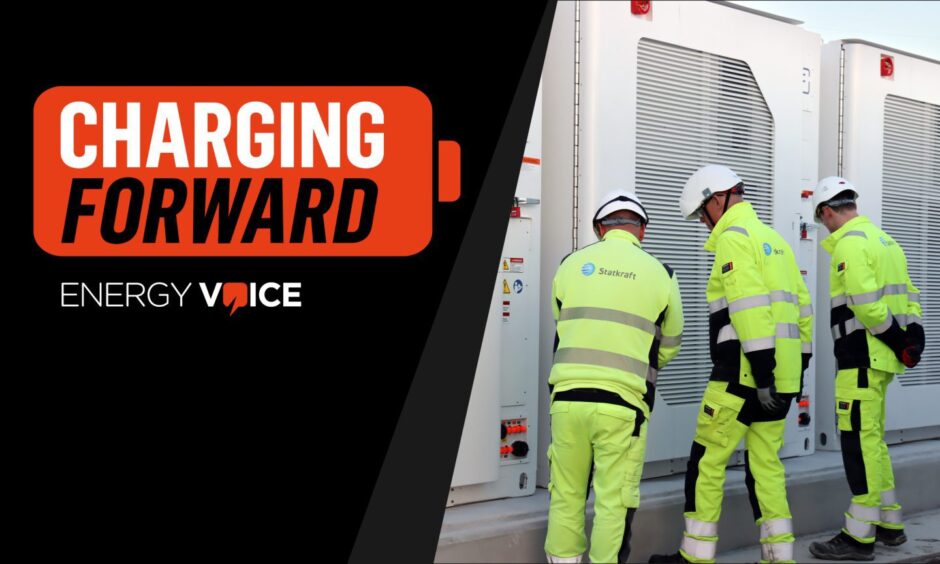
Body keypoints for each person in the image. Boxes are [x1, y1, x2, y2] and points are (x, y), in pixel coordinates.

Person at [650, 165, 812, 564]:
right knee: (766, 469)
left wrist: (760, 375)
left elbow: (747, 310)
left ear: (718, 199)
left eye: (702, 214)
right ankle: (779, 556)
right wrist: (791, 374)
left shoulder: (734, 239)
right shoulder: (775, 240)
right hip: (781, 383)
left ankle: (695, 555)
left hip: (741, 377)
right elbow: (802, 313)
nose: (703, 224)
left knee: (706, 462)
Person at [545, 189, 684, 563]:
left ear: (598, 228)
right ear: (642, 230)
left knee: (566, 493)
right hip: (623, 407)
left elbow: (562, 322)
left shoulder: (570, 264)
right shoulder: (662, 273)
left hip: (567, 402)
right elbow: (670, 343)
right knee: (613, 501)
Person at [807, 177, 924, 561]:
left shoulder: (851, 244)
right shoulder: (887, 241)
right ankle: (890, 526)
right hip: (882, 361)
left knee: (857, 442)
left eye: (822, 219)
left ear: (826, 212)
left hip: (861, 358)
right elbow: (910, 297)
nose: (824, 227)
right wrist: (911, 340)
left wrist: (894, 339)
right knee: (872, 441)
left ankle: (858, 537)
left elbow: (866, 304)